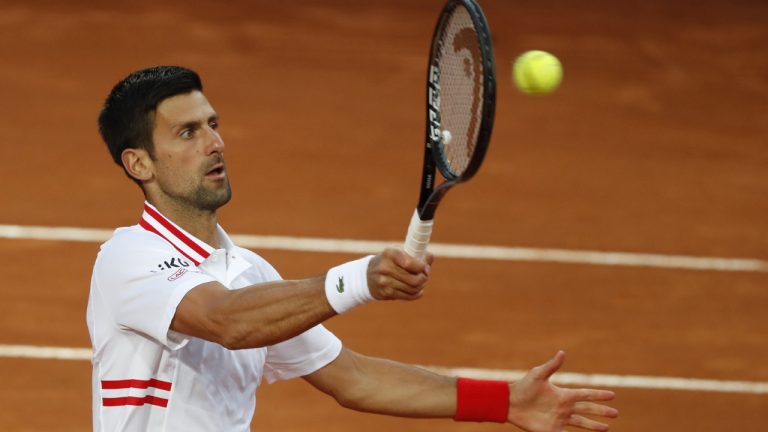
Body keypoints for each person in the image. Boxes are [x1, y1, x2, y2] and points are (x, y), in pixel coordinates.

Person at [87, 65, 618, 432]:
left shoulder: (248, 273)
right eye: (186, 132)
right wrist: (360, 280)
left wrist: (503, 401)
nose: (214, 142)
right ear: (140, 164)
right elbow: (227, 322)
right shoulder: (128, 258)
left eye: (213, 125)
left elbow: (353, 378)